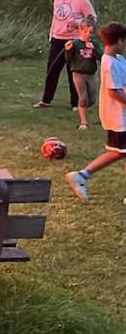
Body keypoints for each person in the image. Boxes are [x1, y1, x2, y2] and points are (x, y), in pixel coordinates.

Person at [65, 22, 126, 201]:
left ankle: (82, 176)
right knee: (118, 152)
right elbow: (113, 91)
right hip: (118, 116)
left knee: (118, 152)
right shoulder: (109, 63)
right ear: (120, 41)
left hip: (120, 115)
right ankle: (82, 175)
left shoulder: (118, 59)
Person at [35, 0, 96, 109]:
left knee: (72, 72)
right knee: (52, 70)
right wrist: (52, 33)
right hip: (57, 38)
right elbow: (55, 18)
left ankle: (76, 103)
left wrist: (77, 22)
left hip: (73, 40)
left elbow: (92, 19)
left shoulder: (82, 1)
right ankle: (46, 100)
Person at [65, 18, 102, 130]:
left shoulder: (94, 43)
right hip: (78, 73)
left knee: (92, 99)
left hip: (91, 74)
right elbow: (69, 60)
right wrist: (68, 50)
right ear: (80, 31)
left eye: (90, 32)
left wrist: (94, 50)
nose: (87, 34)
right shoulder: (75, 43)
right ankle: (83, 122)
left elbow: (101, 57)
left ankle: (83, 110)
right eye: (85, 31)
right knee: (83, 97)